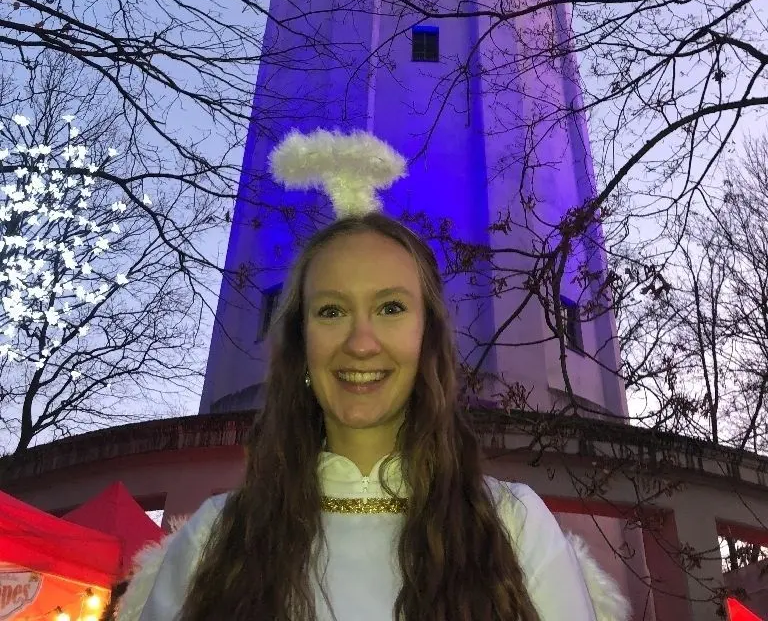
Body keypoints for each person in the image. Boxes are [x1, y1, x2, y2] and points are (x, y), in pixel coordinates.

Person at [118, 130, 630, 621]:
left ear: (428, 338)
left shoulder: (514, 529)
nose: (361, 343)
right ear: (300, 343)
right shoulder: (215, 541)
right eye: (331, 311)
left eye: (390, 307)